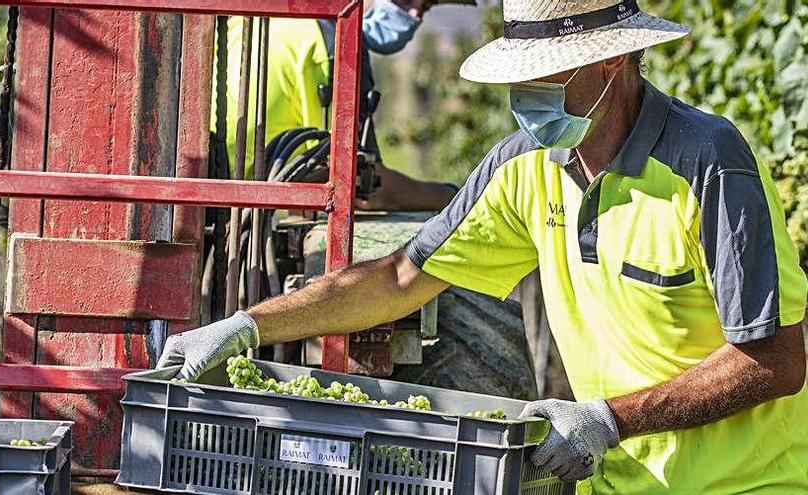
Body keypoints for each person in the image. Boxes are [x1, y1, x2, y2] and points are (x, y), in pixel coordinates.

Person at [164, 0, 808, 492]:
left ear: (612, 61)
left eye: (544, 75)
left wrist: (610, 419)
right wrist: (246, 325)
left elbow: (776, 359)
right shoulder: (526, 164)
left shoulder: (709, 164)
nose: (524, 95)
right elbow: (397, 281)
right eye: (519, 77)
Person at [213, 0, 465, 212]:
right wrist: (453, 197)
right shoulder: (336, 42)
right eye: (405, 1)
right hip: (231, 210)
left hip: (209, 200)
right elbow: (362, 186)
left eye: (426, 7)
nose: (413, 15)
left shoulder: (247, 19)